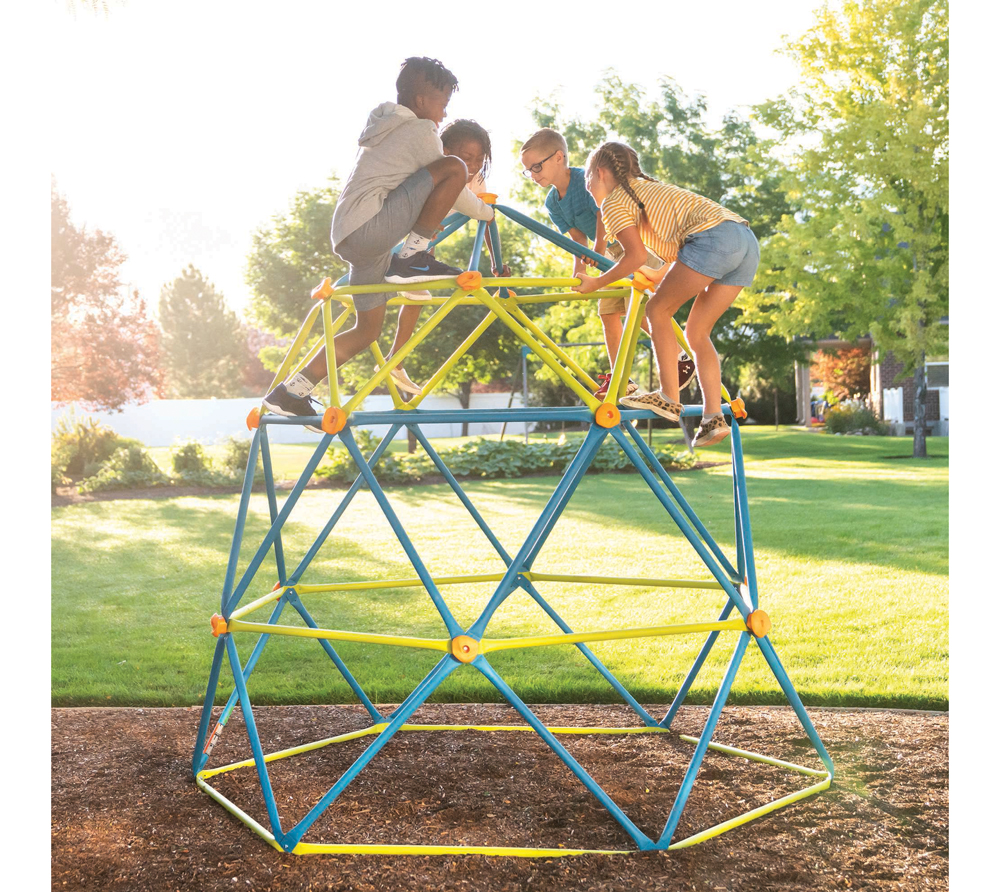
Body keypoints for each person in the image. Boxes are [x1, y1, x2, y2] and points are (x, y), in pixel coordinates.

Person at [262, 57, 495, 426]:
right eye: (442, 103)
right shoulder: (419, 132)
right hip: (370, 230)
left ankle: (291, 392)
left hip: (355, 238)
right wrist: (487, 212)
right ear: (421, 102)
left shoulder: (385, 130)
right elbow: (454, 188)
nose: (444, 111)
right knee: (453, 167)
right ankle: (414, 255)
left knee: (367, 330)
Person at [576, 141, 759, 448]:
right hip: (744, 241)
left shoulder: (614, 202)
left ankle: (669, 397)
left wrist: (597, 283)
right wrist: (655, 276)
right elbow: (678, 254)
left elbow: (633, 257)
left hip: (714, 239)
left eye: (588, 180)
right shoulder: (651, 189)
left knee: (657, 312)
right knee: (697, 332)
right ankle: (713, 419)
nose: (588, 187)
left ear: (602, 173)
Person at [519, 128, 687, 399]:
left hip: (629, 246)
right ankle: (621, 377)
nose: (533, 174)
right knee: (608, 314)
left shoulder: (583, 179)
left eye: (537, 166)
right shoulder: (552, 202)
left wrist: (598, 251)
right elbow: (576, 237)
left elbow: (602, 212)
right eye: (528, 170)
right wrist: (580, 269)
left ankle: (680, 357)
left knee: (642, 309)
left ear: (559, 157)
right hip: (607, 258)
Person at [385, 118, 509, 395]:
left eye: (479, 159)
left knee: (417, 295)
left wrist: (494, 261)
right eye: (466, 158)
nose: (473, 165)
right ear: (444, 150)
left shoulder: (475, 179)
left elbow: (486, 216)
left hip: (428, 241)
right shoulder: (433, 168)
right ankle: (393, 359)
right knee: (409, 292)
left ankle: (396, 359)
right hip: (405, 237)